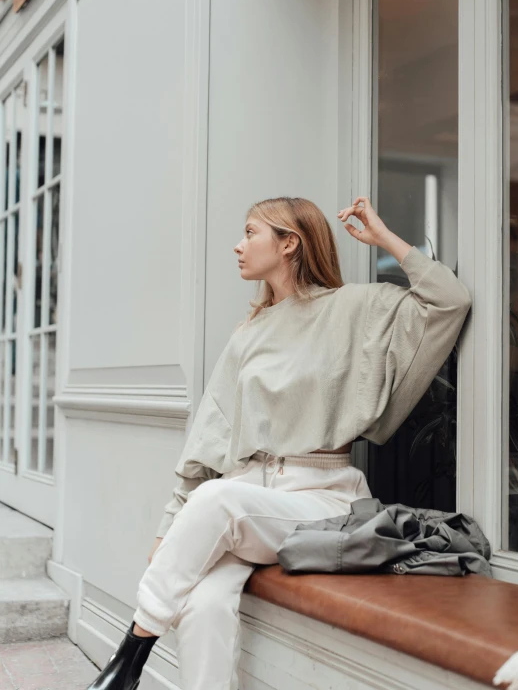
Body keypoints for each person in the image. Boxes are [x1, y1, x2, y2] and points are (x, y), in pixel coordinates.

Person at [86, 196, 472, 690]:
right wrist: (170, 525)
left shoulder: (356, 308)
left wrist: (384, 238)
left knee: (219, 500)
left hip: (321, 496)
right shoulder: (248, 334)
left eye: (251, 233)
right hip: (246, 495)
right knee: (203, 603)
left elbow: (449, 301)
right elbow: (210, 436)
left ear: (289, 243)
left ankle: (128, 661)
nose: (238, 245)